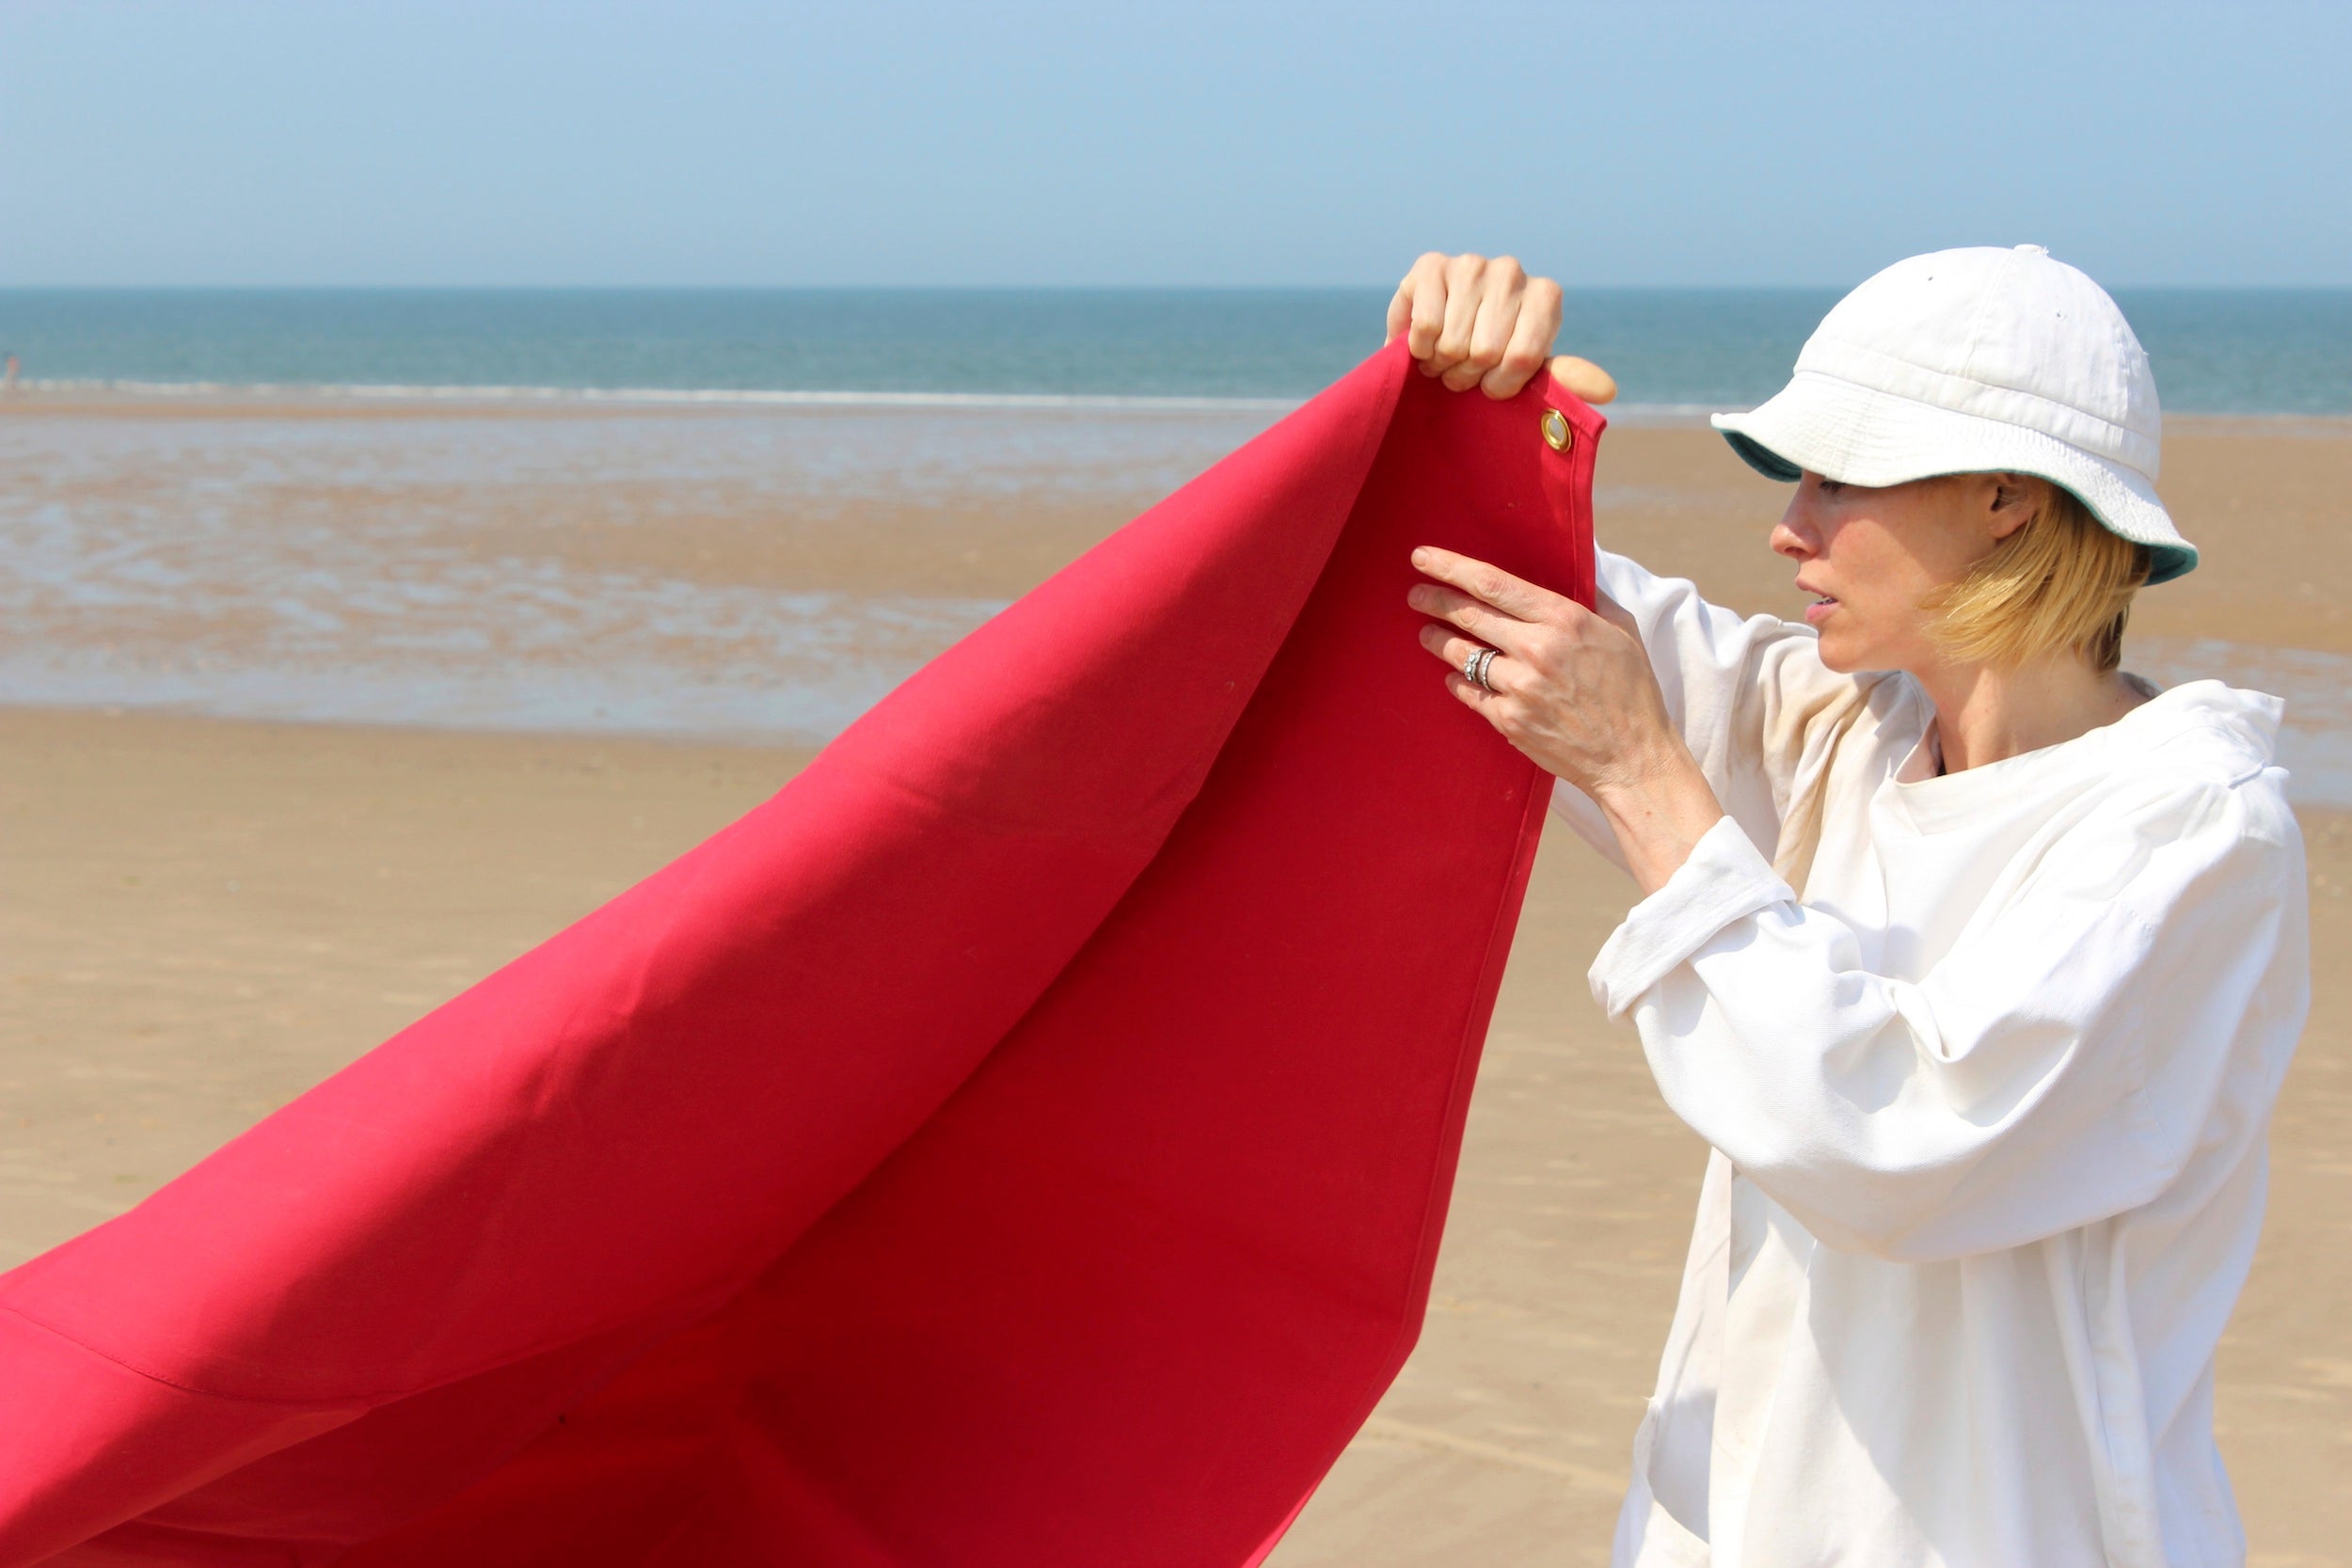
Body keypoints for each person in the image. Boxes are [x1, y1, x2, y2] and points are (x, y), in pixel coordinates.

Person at [1387, 246, 2307, 1568]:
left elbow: (1903, 1143)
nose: (1788, 526)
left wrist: (1649, 782)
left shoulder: (2194, 837)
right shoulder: (1845, 731)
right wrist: (1463, 395)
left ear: (2005, 499)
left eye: (1836, 476)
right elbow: (1504, 605)